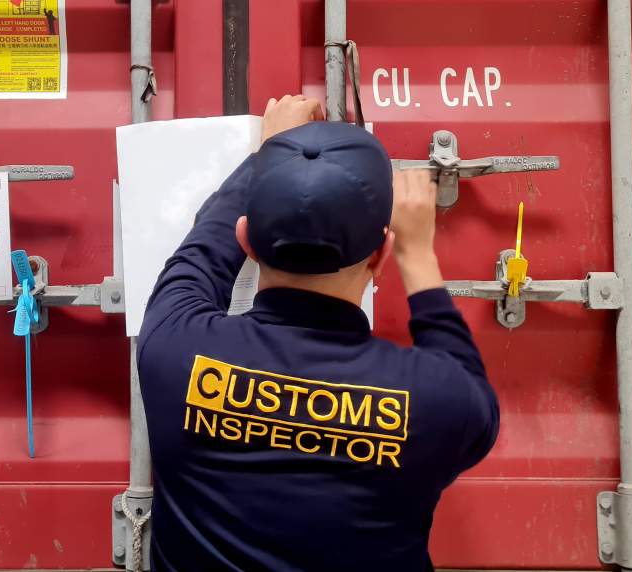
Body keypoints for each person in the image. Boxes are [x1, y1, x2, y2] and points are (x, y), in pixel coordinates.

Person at [136, 95, 500, 572]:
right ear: (380, 255)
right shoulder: (436, 400)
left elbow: (200, 256)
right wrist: (419, 255)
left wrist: (268, 153)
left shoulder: (173, 348)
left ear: (247, 241)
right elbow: (471, 386)